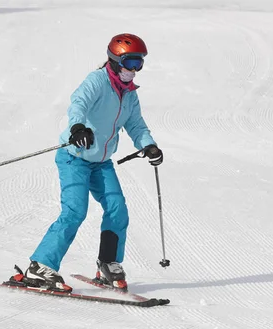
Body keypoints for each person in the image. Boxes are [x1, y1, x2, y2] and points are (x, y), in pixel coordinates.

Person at [9, 33, 163, 293]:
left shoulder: (129, 94)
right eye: (130, 63)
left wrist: (148, 145)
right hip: (75, 159)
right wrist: (78, 127)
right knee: (75, 211)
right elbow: (78, 104)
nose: (134, 70)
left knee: (117, 210)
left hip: (101, 164)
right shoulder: (97, 81)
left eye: (139, 63)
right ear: (114, 60)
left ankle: (108, 263)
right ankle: (40, 266)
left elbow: (136, 125)